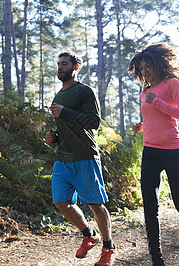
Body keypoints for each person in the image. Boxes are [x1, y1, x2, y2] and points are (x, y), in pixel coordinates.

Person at [129, 43, 179, 265]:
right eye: (141, 68)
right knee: (150, 207)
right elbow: (156, 119)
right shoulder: (144, 92)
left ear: (158, 64)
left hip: (172, 151)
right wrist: (143, 125)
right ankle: (157, 259)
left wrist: (156, 102)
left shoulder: (171, 84)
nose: (145, 71)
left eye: (148, 66)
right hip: (150, 153)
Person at [45, 51, 117, 266]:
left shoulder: (85, 91)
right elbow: (68, 127)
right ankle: (88, 233)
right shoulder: (58, 96)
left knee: (96, 203)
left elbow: (94, 122)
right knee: (60, 202)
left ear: (76, 67)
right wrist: (54, 138)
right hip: (62, 158)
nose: (60, 67)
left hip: (85, 155)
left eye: (64, 64)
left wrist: (65, 112)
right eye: (58, 64)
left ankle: (108, 247)